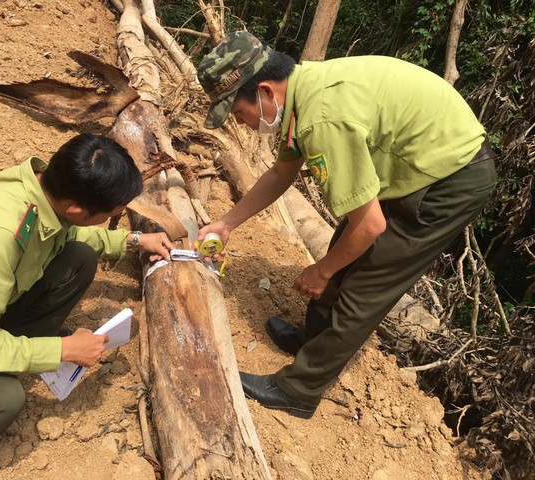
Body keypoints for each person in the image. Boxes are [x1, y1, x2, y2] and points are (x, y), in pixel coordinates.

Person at [196, 31, 497, 419]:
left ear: (266, 92)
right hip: (414, 160)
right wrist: (227, 223)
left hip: (451, 177)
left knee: (365, 283)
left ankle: (298, 390)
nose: (242, 124)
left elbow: (370, 225)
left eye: (238, 113)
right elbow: (281, 173)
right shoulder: (301, 96)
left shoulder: (322, 118)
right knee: (345, 245)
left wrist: (322, 271)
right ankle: (311, 341)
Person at [0, 133, 173, 478]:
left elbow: (66, 233)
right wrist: (59, 349)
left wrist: (132, 239)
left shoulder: (40, 188)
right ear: (76, 209)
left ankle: (8, 353)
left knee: (79, 257)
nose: (113, 218)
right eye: (111, 215)